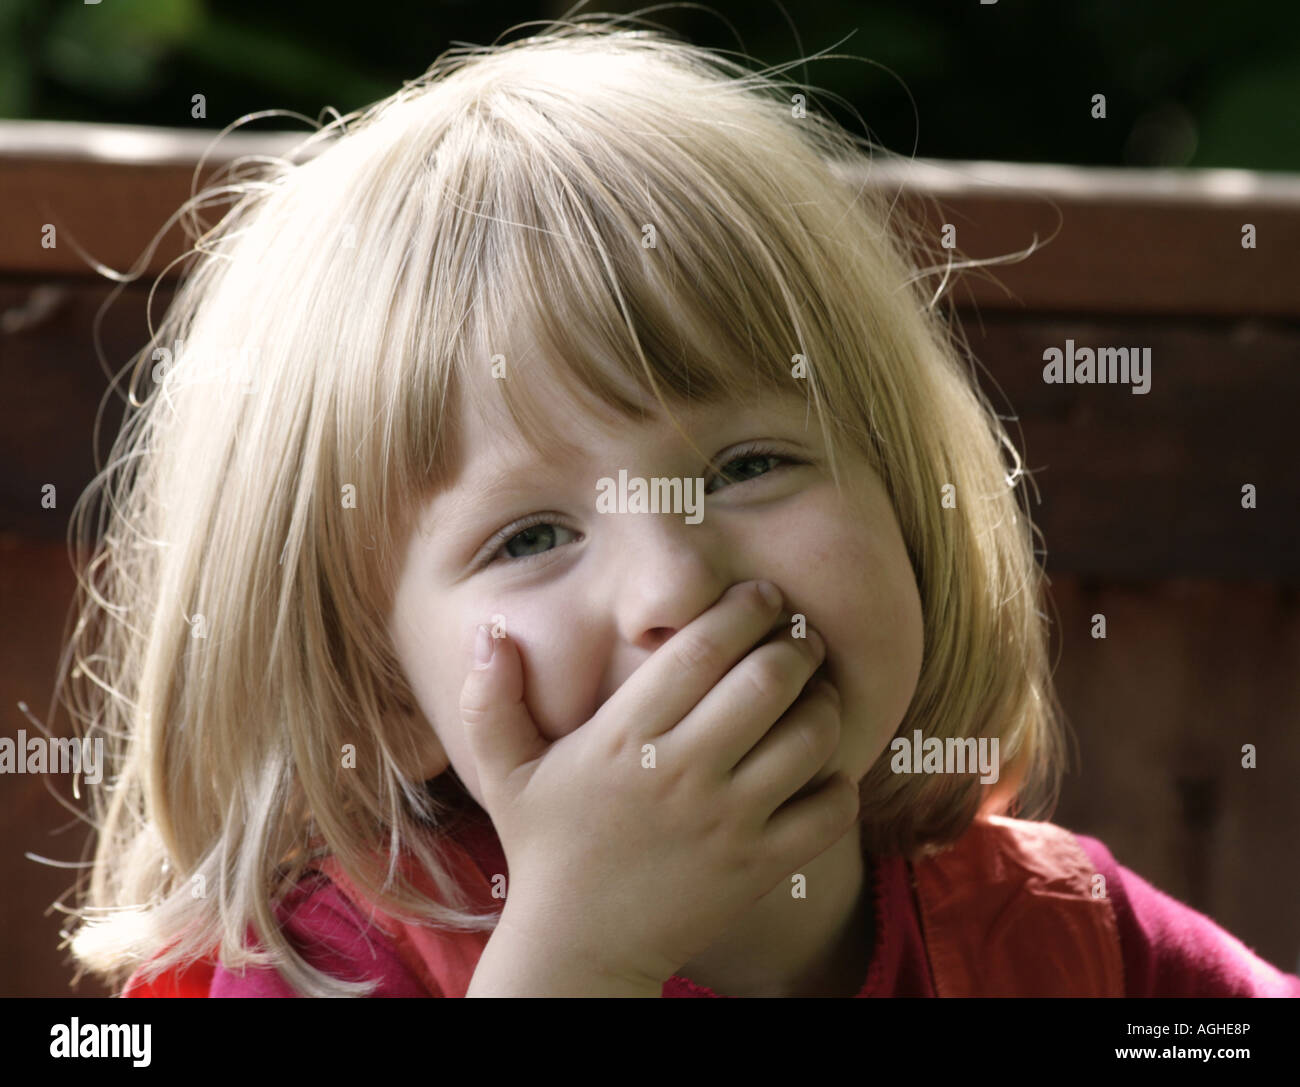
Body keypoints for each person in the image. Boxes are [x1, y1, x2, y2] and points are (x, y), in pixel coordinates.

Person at [61, 18, 1299, 998]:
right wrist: (577, 961)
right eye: (531, 535)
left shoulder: (1060, 939)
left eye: (749, 464)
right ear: (380, 692)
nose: (675, 586)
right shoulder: (334, 967)